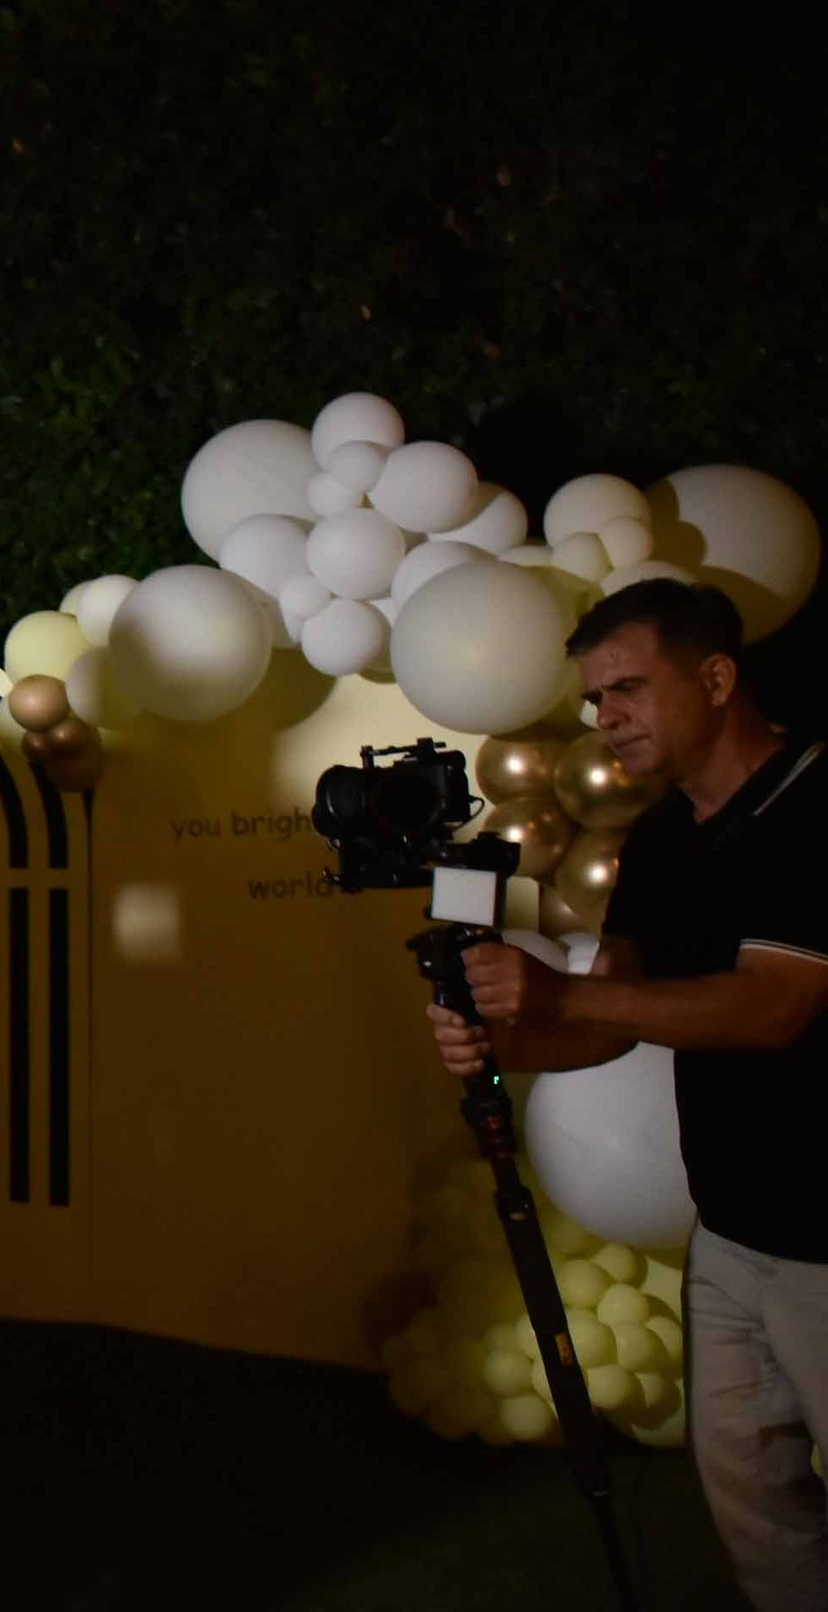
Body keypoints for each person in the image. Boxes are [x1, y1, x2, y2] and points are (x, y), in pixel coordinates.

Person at [429, 578, 828, 1612]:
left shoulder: (818, 803)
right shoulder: (658, 841)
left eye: (626, 690)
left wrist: (557, 993)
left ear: (715, 677)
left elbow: (773, 1007)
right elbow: (604, 1018)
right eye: (594, 699)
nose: (606, 719)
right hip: (732, 1236)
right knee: (752, 1498)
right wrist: (502, 1040)